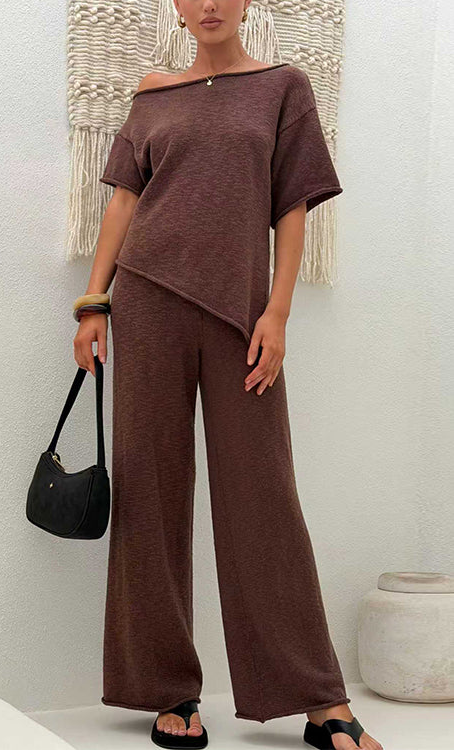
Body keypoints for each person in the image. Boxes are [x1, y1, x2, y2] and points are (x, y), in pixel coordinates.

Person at [72, 2, 383, 749]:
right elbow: (123, 203)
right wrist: (93, 304)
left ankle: (317, 699)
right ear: (179, 10)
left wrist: (278, 312)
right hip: (147, 299)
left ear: (245, 4)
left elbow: (292, 206)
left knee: (262, 493)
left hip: (242, 317)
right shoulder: (154, 94)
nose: (209, 4)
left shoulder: (284, 87)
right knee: (151, 490)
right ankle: (166, 690)